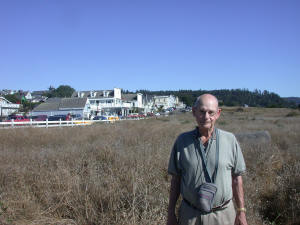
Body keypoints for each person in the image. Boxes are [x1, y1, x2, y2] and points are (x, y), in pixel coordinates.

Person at [166, 94, 248, 225]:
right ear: (194, 112)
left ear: (218, 113)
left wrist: (241, 211)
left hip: (223, 216)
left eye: (211, 112)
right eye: (202, 111)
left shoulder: (230, 140)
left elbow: (237, 178)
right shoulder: (182, 141)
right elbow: (176, 179)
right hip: (190, 216)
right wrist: (170, 213)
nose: (206, 117)